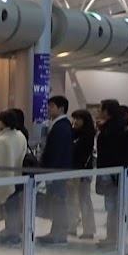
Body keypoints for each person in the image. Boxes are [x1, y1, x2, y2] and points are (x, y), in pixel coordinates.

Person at [0, 109, 28, 247]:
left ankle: (11, 233)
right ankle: (14, 232)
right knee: (15, 206)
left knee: (9, 206)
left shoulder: (3, 139)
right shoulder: (20, 136)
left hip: (6, 178)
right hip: (19, 177)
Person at [38, 95, 73, 245]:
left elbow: (57, 152)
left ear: (61, 108)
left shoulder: (61, 127)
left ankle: (59, 233)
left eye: (52, 106)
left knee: (59, 202)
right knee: (56, 202)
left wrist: (50, 173)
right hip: (57, 171)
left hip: (57, 172)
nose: (48, 109)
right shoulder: (59, 125)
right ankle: (56, 231)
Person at [94, 99, 128, 249]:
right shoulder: (120, 126)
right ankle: (114, 236)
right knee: (114, 205)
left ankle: (112, 236)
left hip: (111, 172)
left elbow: (108, 153)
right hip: (117, 172)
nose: (99, 112)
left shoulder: (111, 130)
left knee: (112, 206)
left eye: (101, 109)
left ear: (107, 111)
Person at [69, 109, 97, 240]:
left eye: (78, 119)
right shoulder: (74, 134)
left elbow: (82, 155)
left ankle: (88, 230)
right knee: (72, 200)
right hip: (74, 171)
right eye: (74, 118)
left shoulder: (87, 136)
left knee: (84, 200)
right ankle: (71, 226)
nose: (75, 121)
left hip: (83, 172)